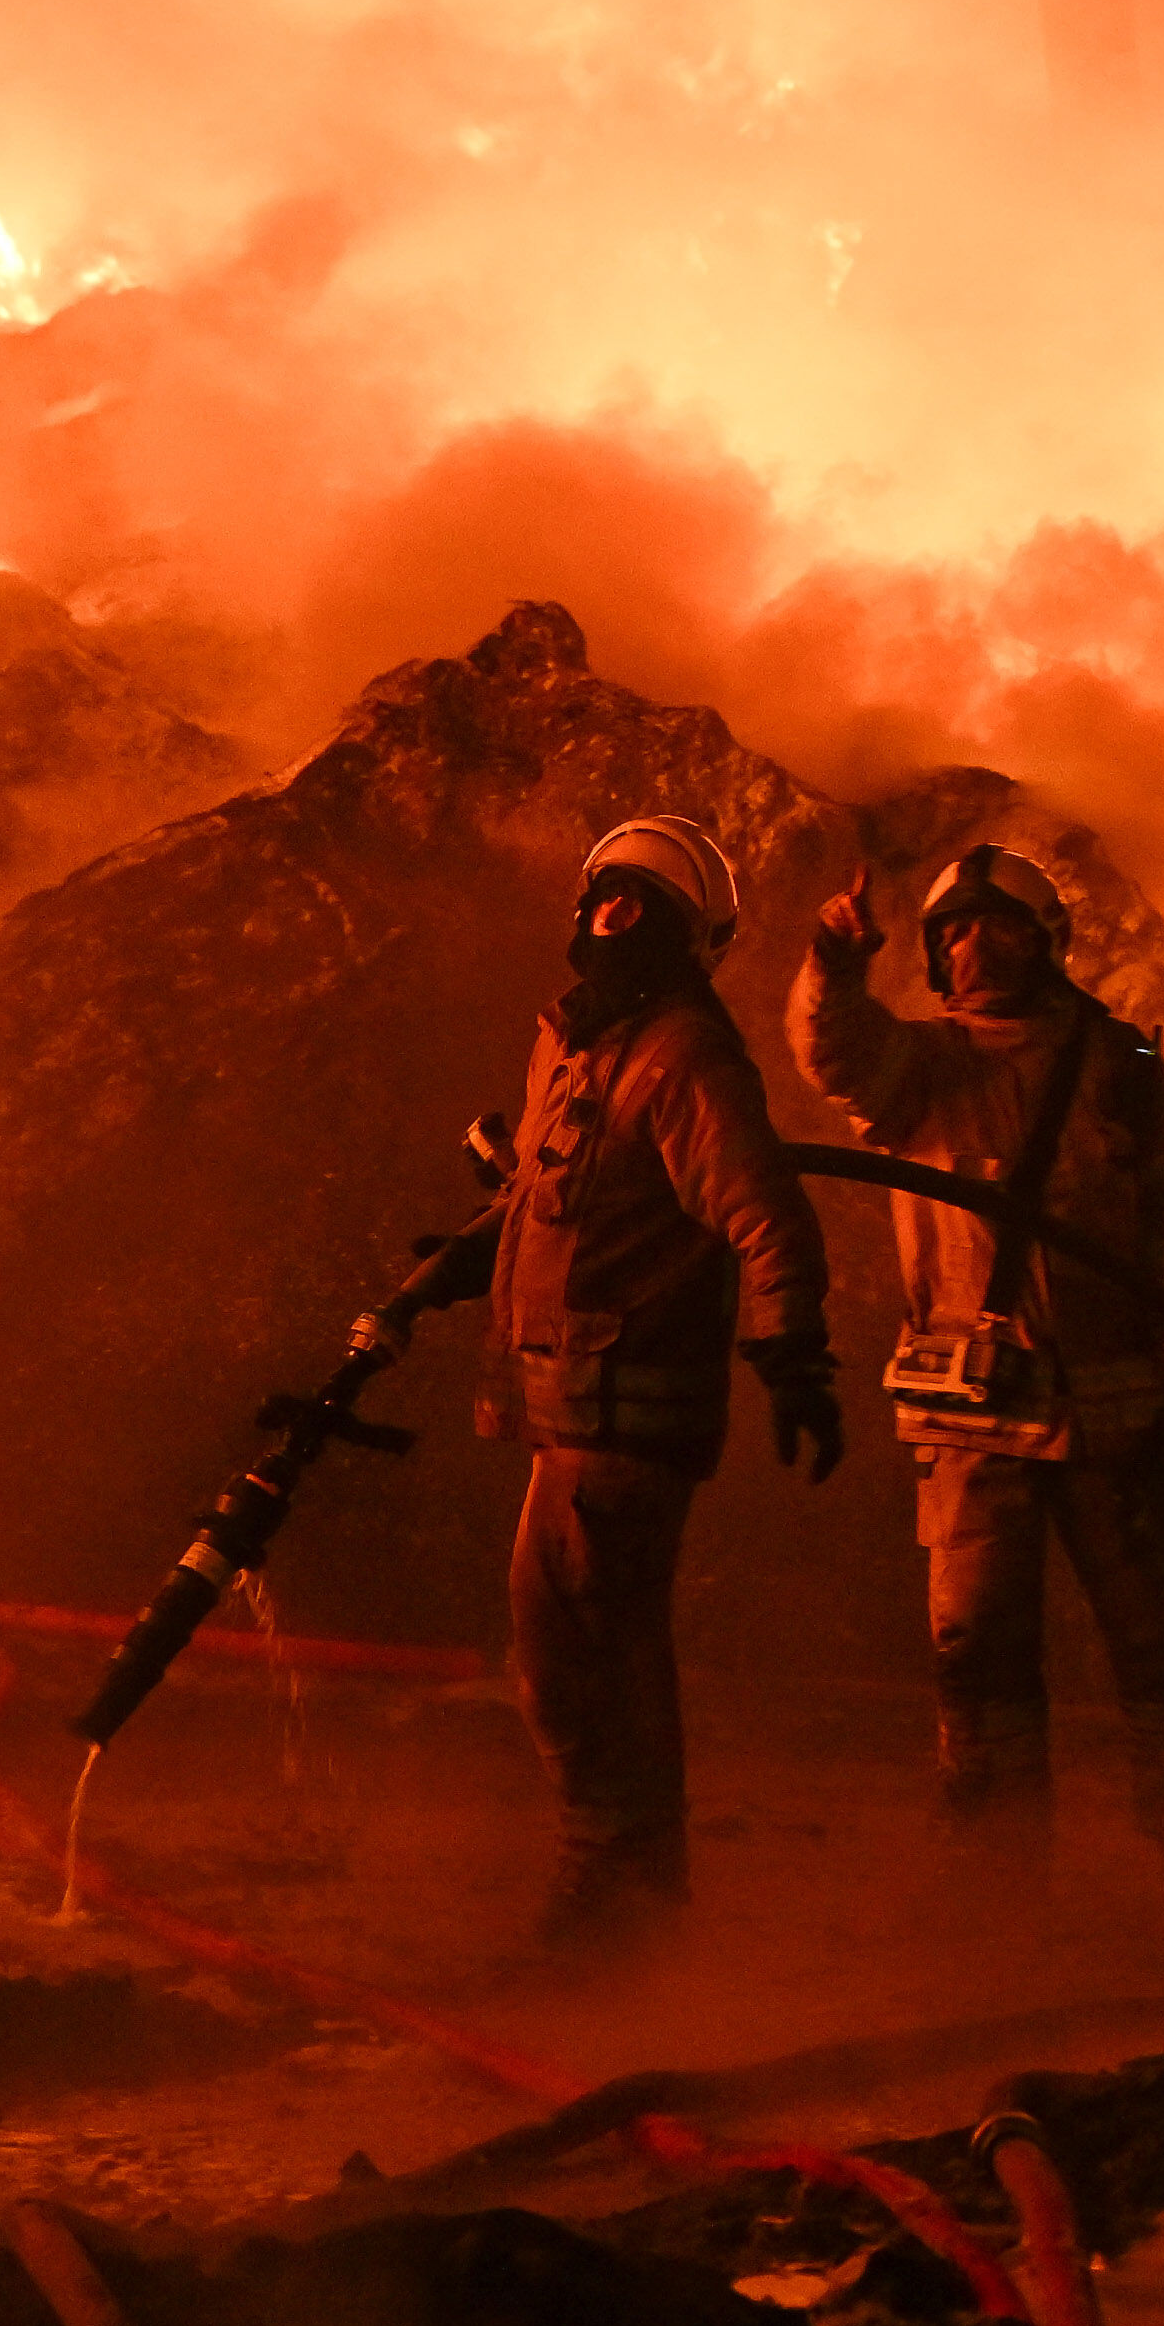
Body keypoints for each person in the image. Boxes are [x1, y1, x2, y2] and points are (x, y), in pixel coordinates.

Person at [791, 842, 1164, 1933]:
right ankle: (995, 1890)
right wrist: (831, 962)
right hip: (974, 1418)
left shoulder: (1124, 1059)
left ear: (1048, 945)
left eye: (999, 926)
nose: (974, 943)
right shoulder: (919, 1069)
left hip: (1117, 1415)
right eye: (953, 931)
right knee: (979, 1659)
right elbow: (829, 1048)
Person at [472, 815, 838, 1949]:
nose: (611, 918)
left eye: (641, 906)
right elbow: (566, 1202)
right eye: (604, 898)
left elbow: (765, 1219)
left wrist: (792, 1358)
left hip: (629, 1414)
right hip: (563, 1412)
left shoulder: (685, 1054)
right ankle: (617, 1890)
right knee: (554, 1660)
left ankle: (620, 1906)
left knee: (599, 1660)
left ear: (685, 939)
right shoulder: (572, 1046)